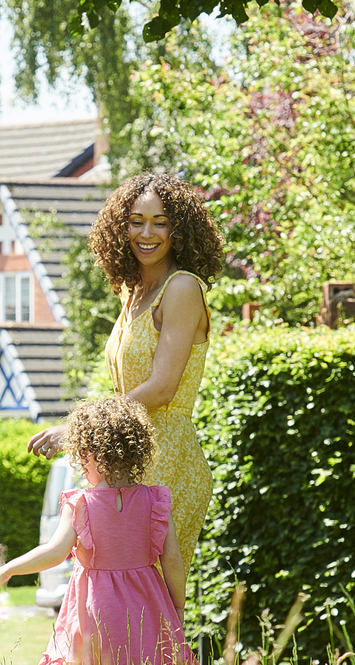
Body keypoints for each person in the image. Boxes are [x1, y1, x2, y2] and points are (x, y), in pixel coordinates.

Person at [28, 173, 226, 602]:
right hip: (126, 456)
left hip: (168, 458)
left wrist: (78, 429)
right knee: (111, 595)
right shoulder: (132, 291)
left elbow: (162, 388)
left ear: (180, 228)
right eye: (137, 221)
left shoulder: (182, 288)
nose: (147, 233)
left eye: (160, 221)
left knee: (149, 602)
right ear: (122, 226)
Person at [0, 396, 205, 665]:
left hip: (97, 611)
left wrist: (7, 569)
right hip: (149, 610)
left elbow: (53, 552)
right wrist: (176, 606)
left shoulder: (81, 504)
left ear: (89, 452)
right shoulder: (156, 501)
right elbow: (173, 561)